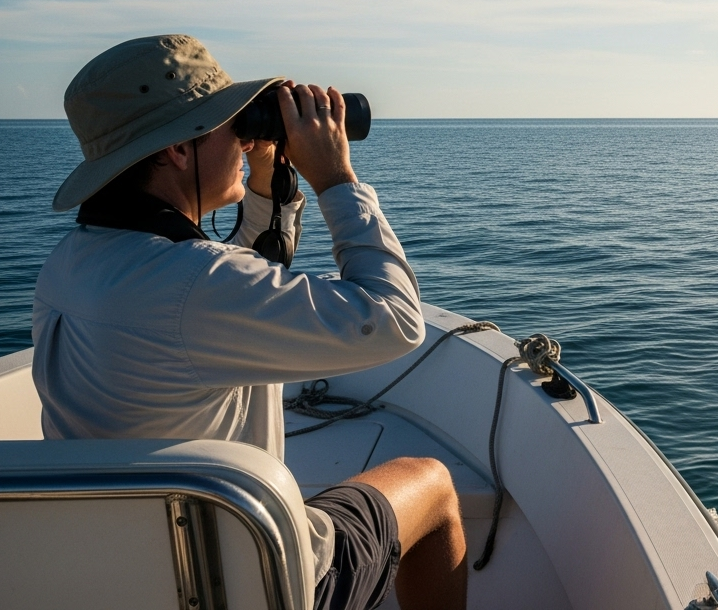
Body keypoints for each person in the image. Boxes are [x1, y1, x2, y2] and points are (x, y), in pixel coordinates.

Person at [31, 34, 465, 610]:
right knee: (430, 482)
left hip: (127, 565)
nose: (242, 138)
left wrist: (263, 178)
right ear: (176, 151)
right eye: (225, 125)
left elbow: (232, 284)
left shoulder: (75, 260)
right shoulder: (199, 286)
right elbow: (393, 320)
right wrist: (336, 179)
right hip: (248, 577)